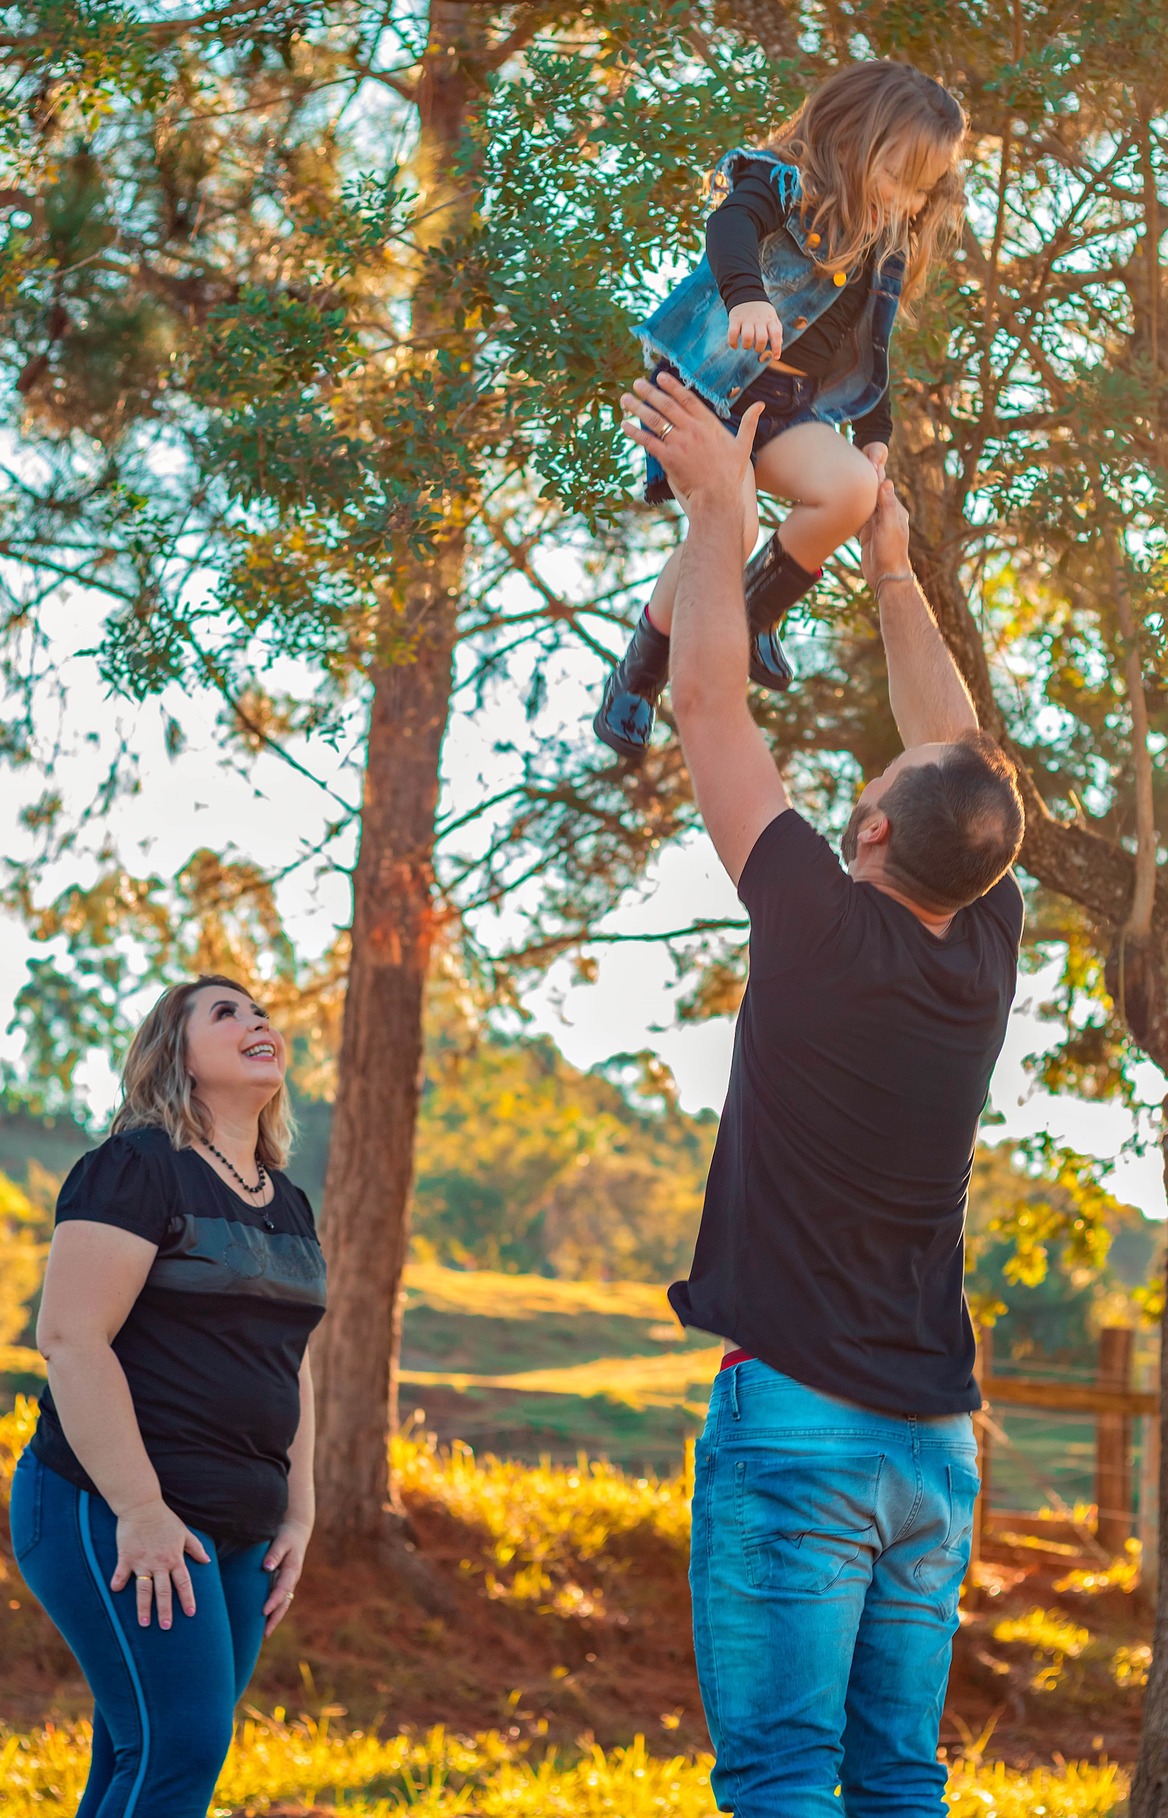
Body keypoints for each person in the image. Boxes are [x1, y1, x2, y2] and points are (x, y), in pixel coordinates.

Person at [620, 371, 1025, 1817]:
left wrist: (723, 507)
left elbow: (710, 696)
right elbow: (960, 763)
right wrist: (894, 574)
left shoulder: (812, 913)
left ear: (865, 827)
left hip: (800, 1428)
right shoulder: (980, 945)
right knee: (892, 1773)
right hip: (930, 1445)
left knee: (790, 1775)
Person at [9, 976, 326, 1818]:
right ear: (173, 1055)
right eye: (225, 1013)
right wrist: (141, 1509)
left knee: (141, 1752)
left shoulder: (286, 1202)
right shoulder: (136, 1168)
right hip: (108, 1507)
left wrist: (297, 1514)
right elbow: (71, 1339)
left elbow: (287, 1362)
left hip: (240, 1528)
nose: (257, 1020)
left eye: (260, 1011)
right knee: (178, 1749)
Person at [596, 59, 967, 758]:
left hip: (788, 408)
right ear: (853, 139)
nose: (911, 205)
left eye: (924, 192)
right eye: (900, 179)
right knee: (725, 530)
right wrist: (748, 297)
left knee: (854, 490)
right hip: (709, 390)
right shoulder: (780, 181)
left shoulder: (885, 245)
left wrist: (875, 430)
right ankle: (637, 678)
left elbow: (871, 349)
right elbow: (730, 230)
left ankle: (759, 611)